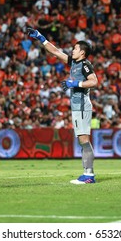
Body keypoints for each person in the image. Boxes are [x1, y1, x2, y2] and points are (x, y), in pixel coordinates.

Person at [27, 27, 98, 184]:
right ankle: (88, 173)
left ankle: (89, 175)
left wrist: (75, 83)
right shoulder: (74, 62)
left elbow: (94, 81)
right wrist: (41, 37)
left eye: (76, 48)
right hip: (77, 105)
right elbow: (56, 52)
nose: (73, 50)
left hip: (81, 105)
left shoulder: (85, 64)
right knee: (82, 139)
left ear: (83, 53)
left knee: (84, 139)